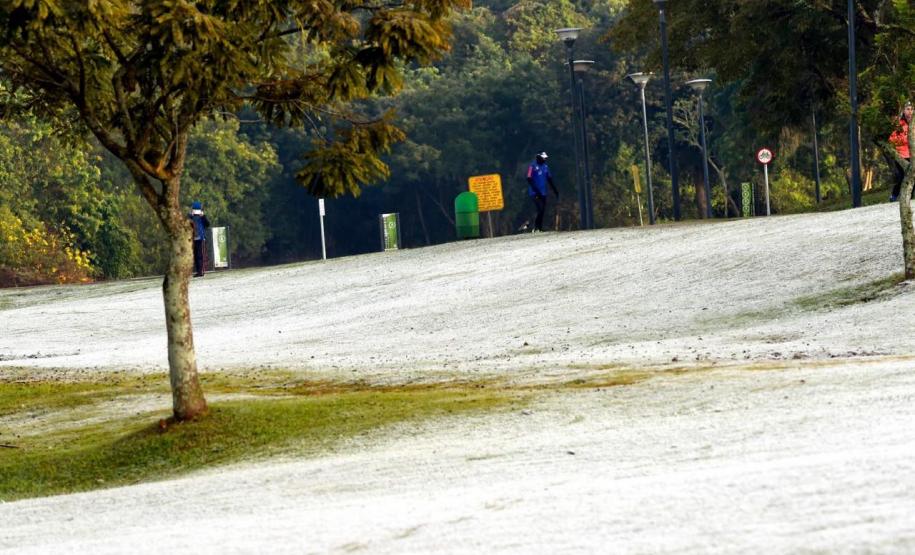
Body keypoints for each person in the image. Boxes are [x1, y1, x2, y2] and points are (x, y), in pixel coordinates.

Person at [526, 152, 559, 232]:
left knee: (542, 210)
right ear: (538, 157)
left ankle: (539, 228)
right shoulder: (532, 166)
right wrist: (536, 190)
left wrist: (555, 190)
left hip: (543, 192)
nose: (545, 159)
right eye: (543, 157)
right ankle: (536, 227)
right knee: (540, 209)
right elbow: (529, 178)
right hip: (534, 193)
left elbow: (549, 179)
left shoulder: (545, 167)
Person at [889, 101, 913, 202]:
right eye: (908, 109)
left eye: (912, 109)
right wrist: (904, 139)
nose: (910, 111)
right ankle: (894, 195)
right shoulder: (899, 124)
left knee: (913, 175)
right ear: (903, 111)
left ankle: (910, 197)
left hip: (912, 154)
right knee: (902, 176)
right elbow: (892, 139)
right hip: (901, 154)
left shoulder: (913, 123)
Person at [188, 201, 210, 277]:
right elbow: (187, 224)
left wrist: (203, 216)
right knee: (196, 256)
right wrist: (190, 215)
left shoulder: (202, 217)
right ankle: (198, 271)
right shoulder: (190, 216)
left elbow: (207, 224)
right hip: (193, 239)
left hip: (200, 238)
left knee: (201, 255)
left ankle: (202, 271)